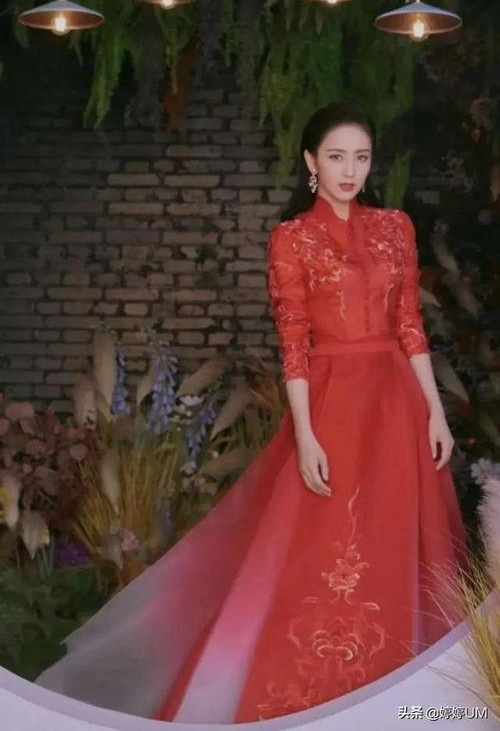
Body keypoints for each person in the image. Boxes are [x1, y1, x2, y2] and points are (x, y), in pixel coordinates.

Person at [36, 99, 469, 723]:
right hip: (330, 404)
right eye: (337, 157)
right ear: (311, 162)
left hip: (395, 404)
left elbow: (410, 327)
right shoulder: (291, 238)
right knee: (323, 549)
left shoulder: (395, 227)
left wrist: (435, 411)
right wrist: (306, 434)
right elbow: (294, 345)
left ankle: (402, 701)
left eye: (362, 157)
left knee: (393, 539)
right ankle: (318, 694)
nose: (351, 170)